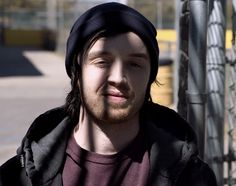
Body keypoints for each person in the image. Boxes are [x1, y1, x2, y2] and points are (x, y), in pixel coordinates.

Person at [0, 2, 217, 186]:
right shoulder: (17, 177)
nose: (118, 78)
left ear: (150, 76)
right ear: (77, 72)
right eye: (102, 61)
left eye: (134, 64)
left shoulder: (191, 177)